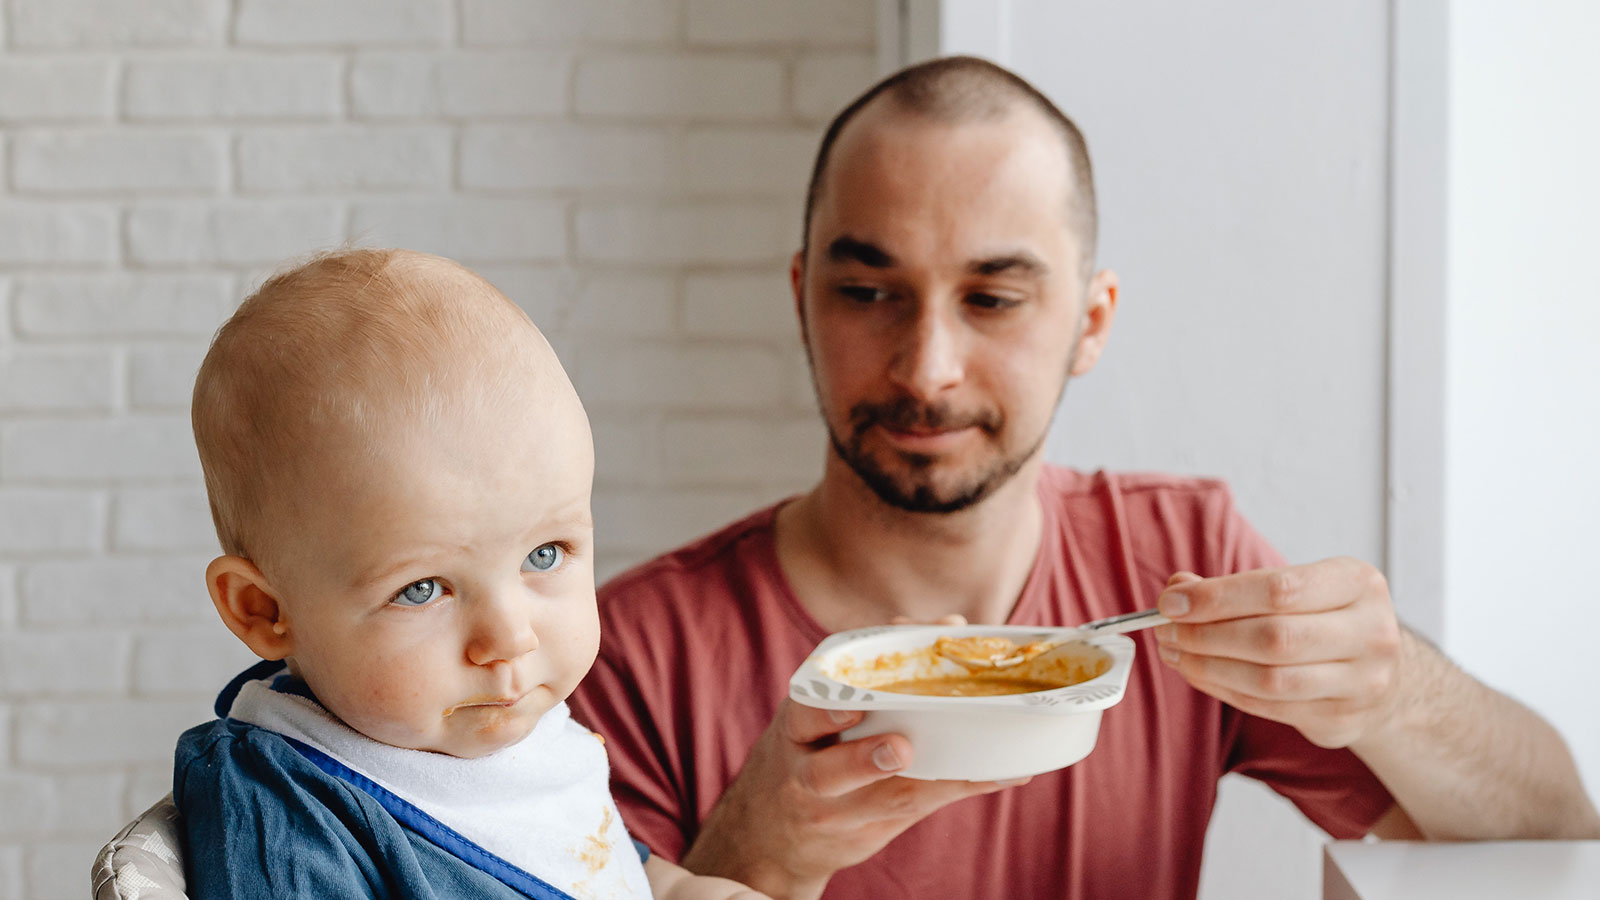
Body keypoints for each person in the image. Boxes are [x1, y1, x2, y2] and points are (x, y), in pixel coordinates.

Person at [568, 56, 1600, 900]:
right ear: (803, 299)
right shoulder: (627, 659)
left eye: (993, 298)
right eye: (868, 290)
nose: (927, 367)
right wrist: (754, 854)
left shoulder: (1176, 566)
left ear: (1090, 321)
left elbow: (1555, 829)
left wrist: (1395, 691)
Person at [174, 249, 768, 900]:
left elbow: (598, 864)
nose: (510, 638)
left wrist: (692, 890)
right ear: (264, 610)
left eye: (544, 554)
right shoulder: (290, 802)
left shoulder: (510, 736)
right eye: (422, 590)